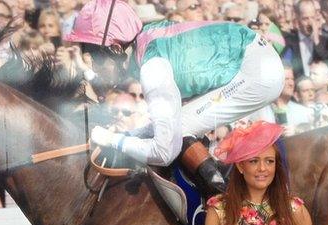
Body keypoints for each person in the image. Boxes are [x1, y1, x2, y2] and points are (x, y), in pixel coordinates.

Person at [69, 0, 285, 198]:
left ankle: (229, 205)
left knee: (177, 132)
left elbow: (164, 152)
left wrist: (113, 140)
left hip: (258, 72)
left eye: (94, 56)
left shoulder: (152, 69)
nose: (93, 66)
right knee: (175, 128)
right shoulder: (144, 41)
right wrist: (129, 135)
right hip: (254, 60)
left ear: (116, 48)